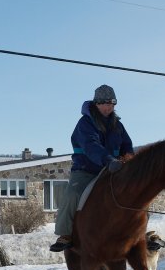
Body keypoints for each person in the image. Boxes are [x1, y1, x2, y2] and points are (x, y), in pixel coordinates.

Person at [50, 84, 134, 252]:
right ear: (96, 103)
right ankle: (65, 233)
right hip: (86, 170)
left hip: (113, 170)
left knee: (134, 193)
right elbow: (91, 146)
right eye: (105, 103)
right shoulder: (85, 123)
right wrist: (109, 160)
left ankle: (138, 233)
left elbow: (127, 146)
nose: (109, 107)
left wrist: (129, 161)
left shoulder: (118, 125)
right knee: (73, 194)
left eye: (112, 103)